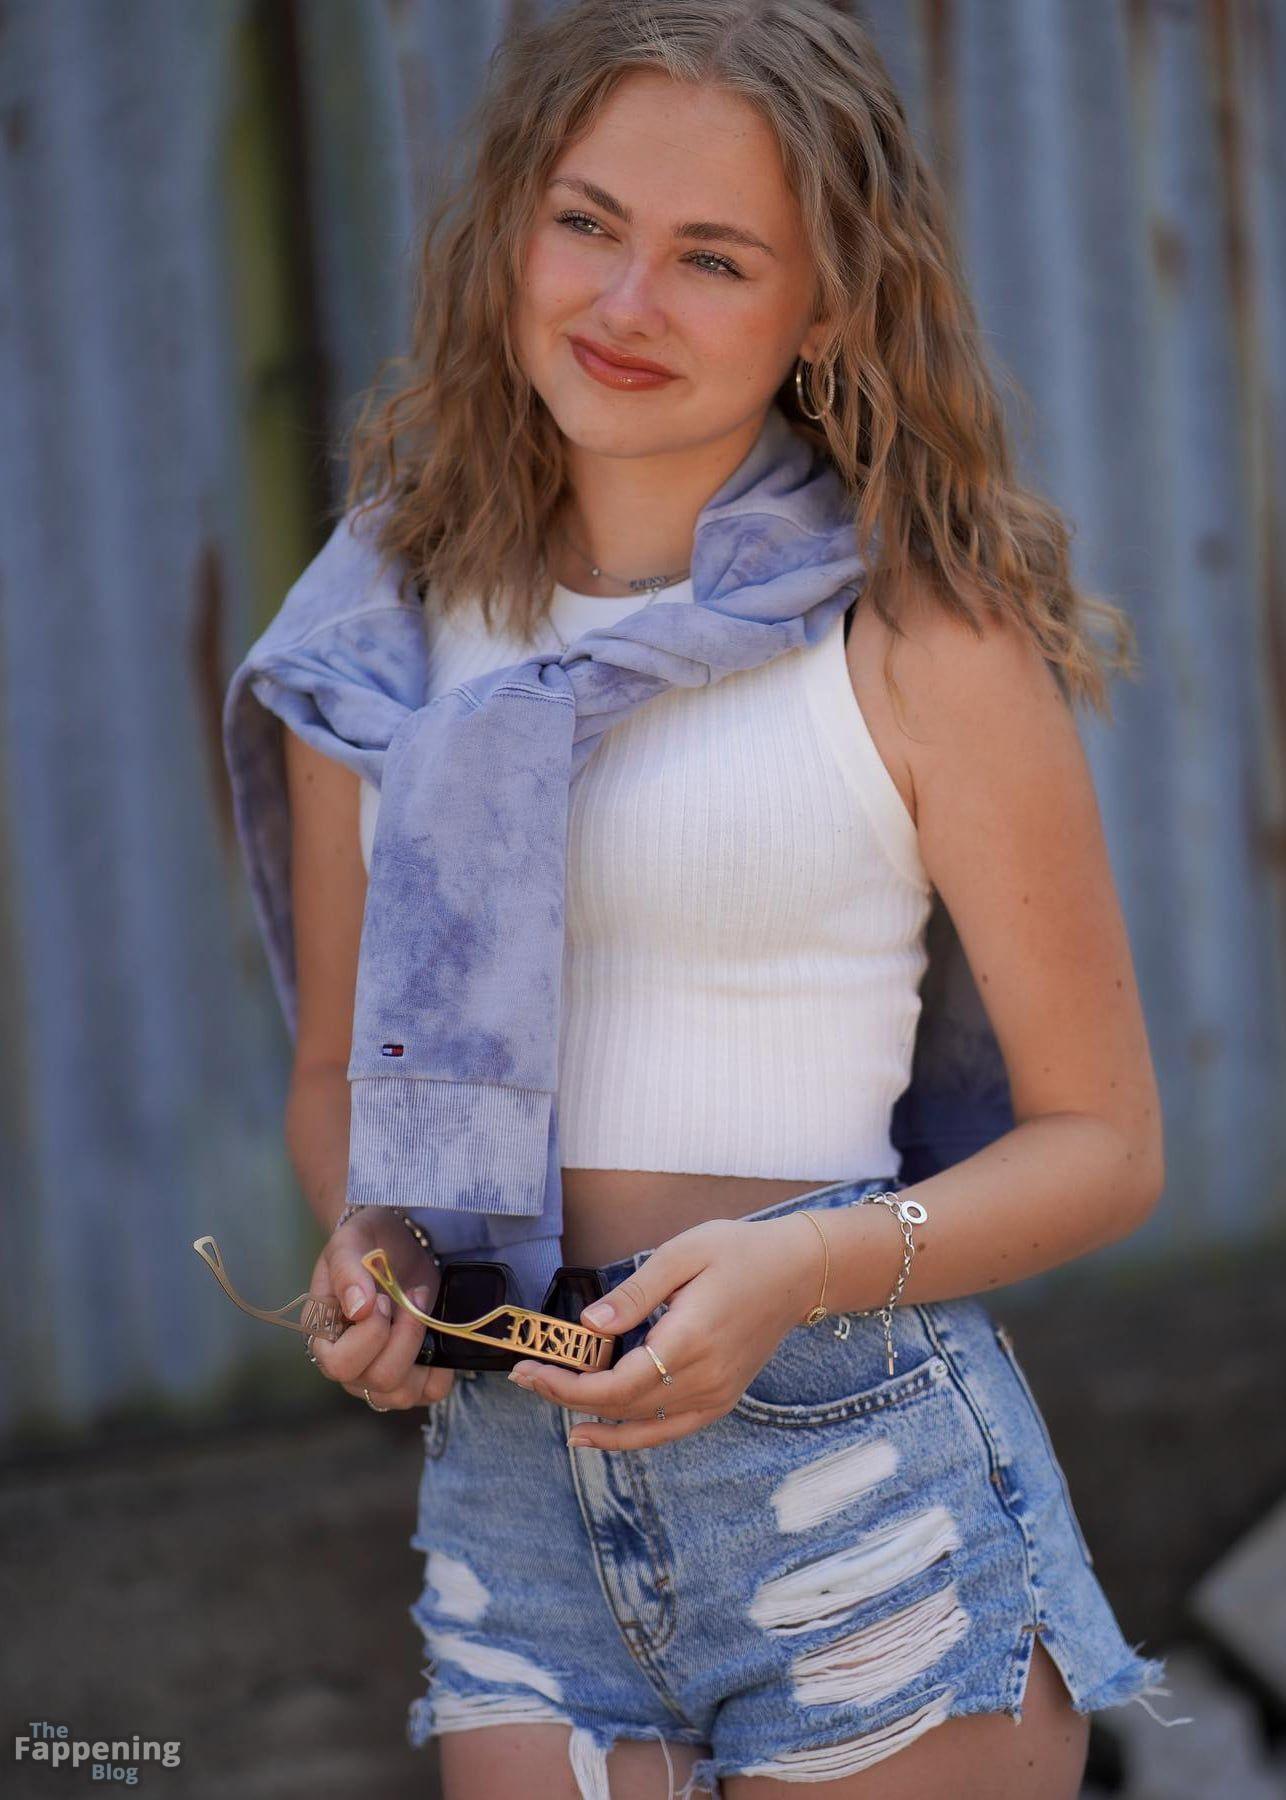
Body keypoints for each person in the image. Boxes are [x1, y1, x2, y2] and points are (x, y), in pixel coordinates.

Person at [277, 4, 1168, 1795]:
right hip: (513, 1490)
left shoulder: (915, 635)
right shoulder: (381, 629)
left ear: (824, 307)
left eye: (711, 257)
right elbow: (330, 1079)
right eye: (586, 222)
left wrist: (794, 1266)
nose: (623, 304)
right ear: (511, 225)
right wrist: (373, 1244)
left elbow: (1105, 1144)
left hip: (857, 1477)